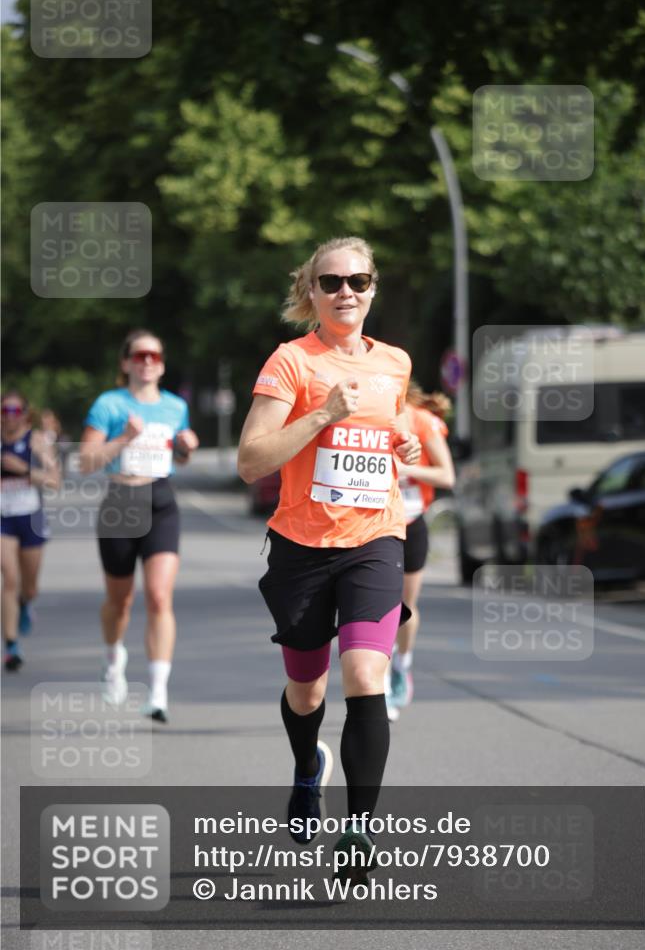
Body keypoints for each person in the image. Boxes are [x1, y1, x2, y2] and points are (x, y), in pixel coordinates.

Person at [238, 237, 421, 881]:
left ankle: (360, 830)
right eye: (332, 282)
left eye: (358, 281)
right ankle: (306, 767)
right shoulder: (291, 361)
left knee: (367, 677)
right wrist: (320, 415)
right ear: (311, 292)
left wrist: (404, 446)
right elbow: (251, 461)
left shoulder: (395, 362)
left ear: (373, 288)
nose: (347, 291)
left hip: (376, 539)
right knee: (307, 688)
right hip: (302, 548)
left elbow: (393, 429)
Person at [79, 330, 199, 723]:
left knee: (160, 597)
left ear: (162, 365)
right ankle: (113, 657)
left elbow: (178, 458)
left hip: (160, 501)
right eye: (139, 355)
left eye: (154, 356)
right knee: (121, 602)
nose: (147, 361)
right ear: (126, 362)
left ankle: (158, 691)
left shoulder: (175, 406)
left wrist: (187, 448)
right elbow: (86, 461)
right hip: (120, 502)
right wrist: (124, 438)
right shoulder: (109, 404)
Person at [386, 381, 455, 721]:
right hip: (375, 525)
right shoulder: (368, 416)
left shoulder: (421, 421)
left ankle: (402, 663)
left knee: (405, 608)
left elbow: (447, 476)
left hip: (412, 521)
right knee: (379, 608)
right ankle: (381, 684)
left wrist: (405, 469)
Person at [1, 391, 60, 666]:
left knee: (30, 587)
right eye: (4, 410)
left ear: (25, 414)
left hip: (30, 519)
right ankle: (11, 646)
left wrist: (23, 470)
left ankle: (25, 603)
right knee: (9, 579)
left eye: (15, 411)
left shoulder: (36, 441)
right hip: (3, 520)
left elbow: (55, 481)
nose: (9, 416)